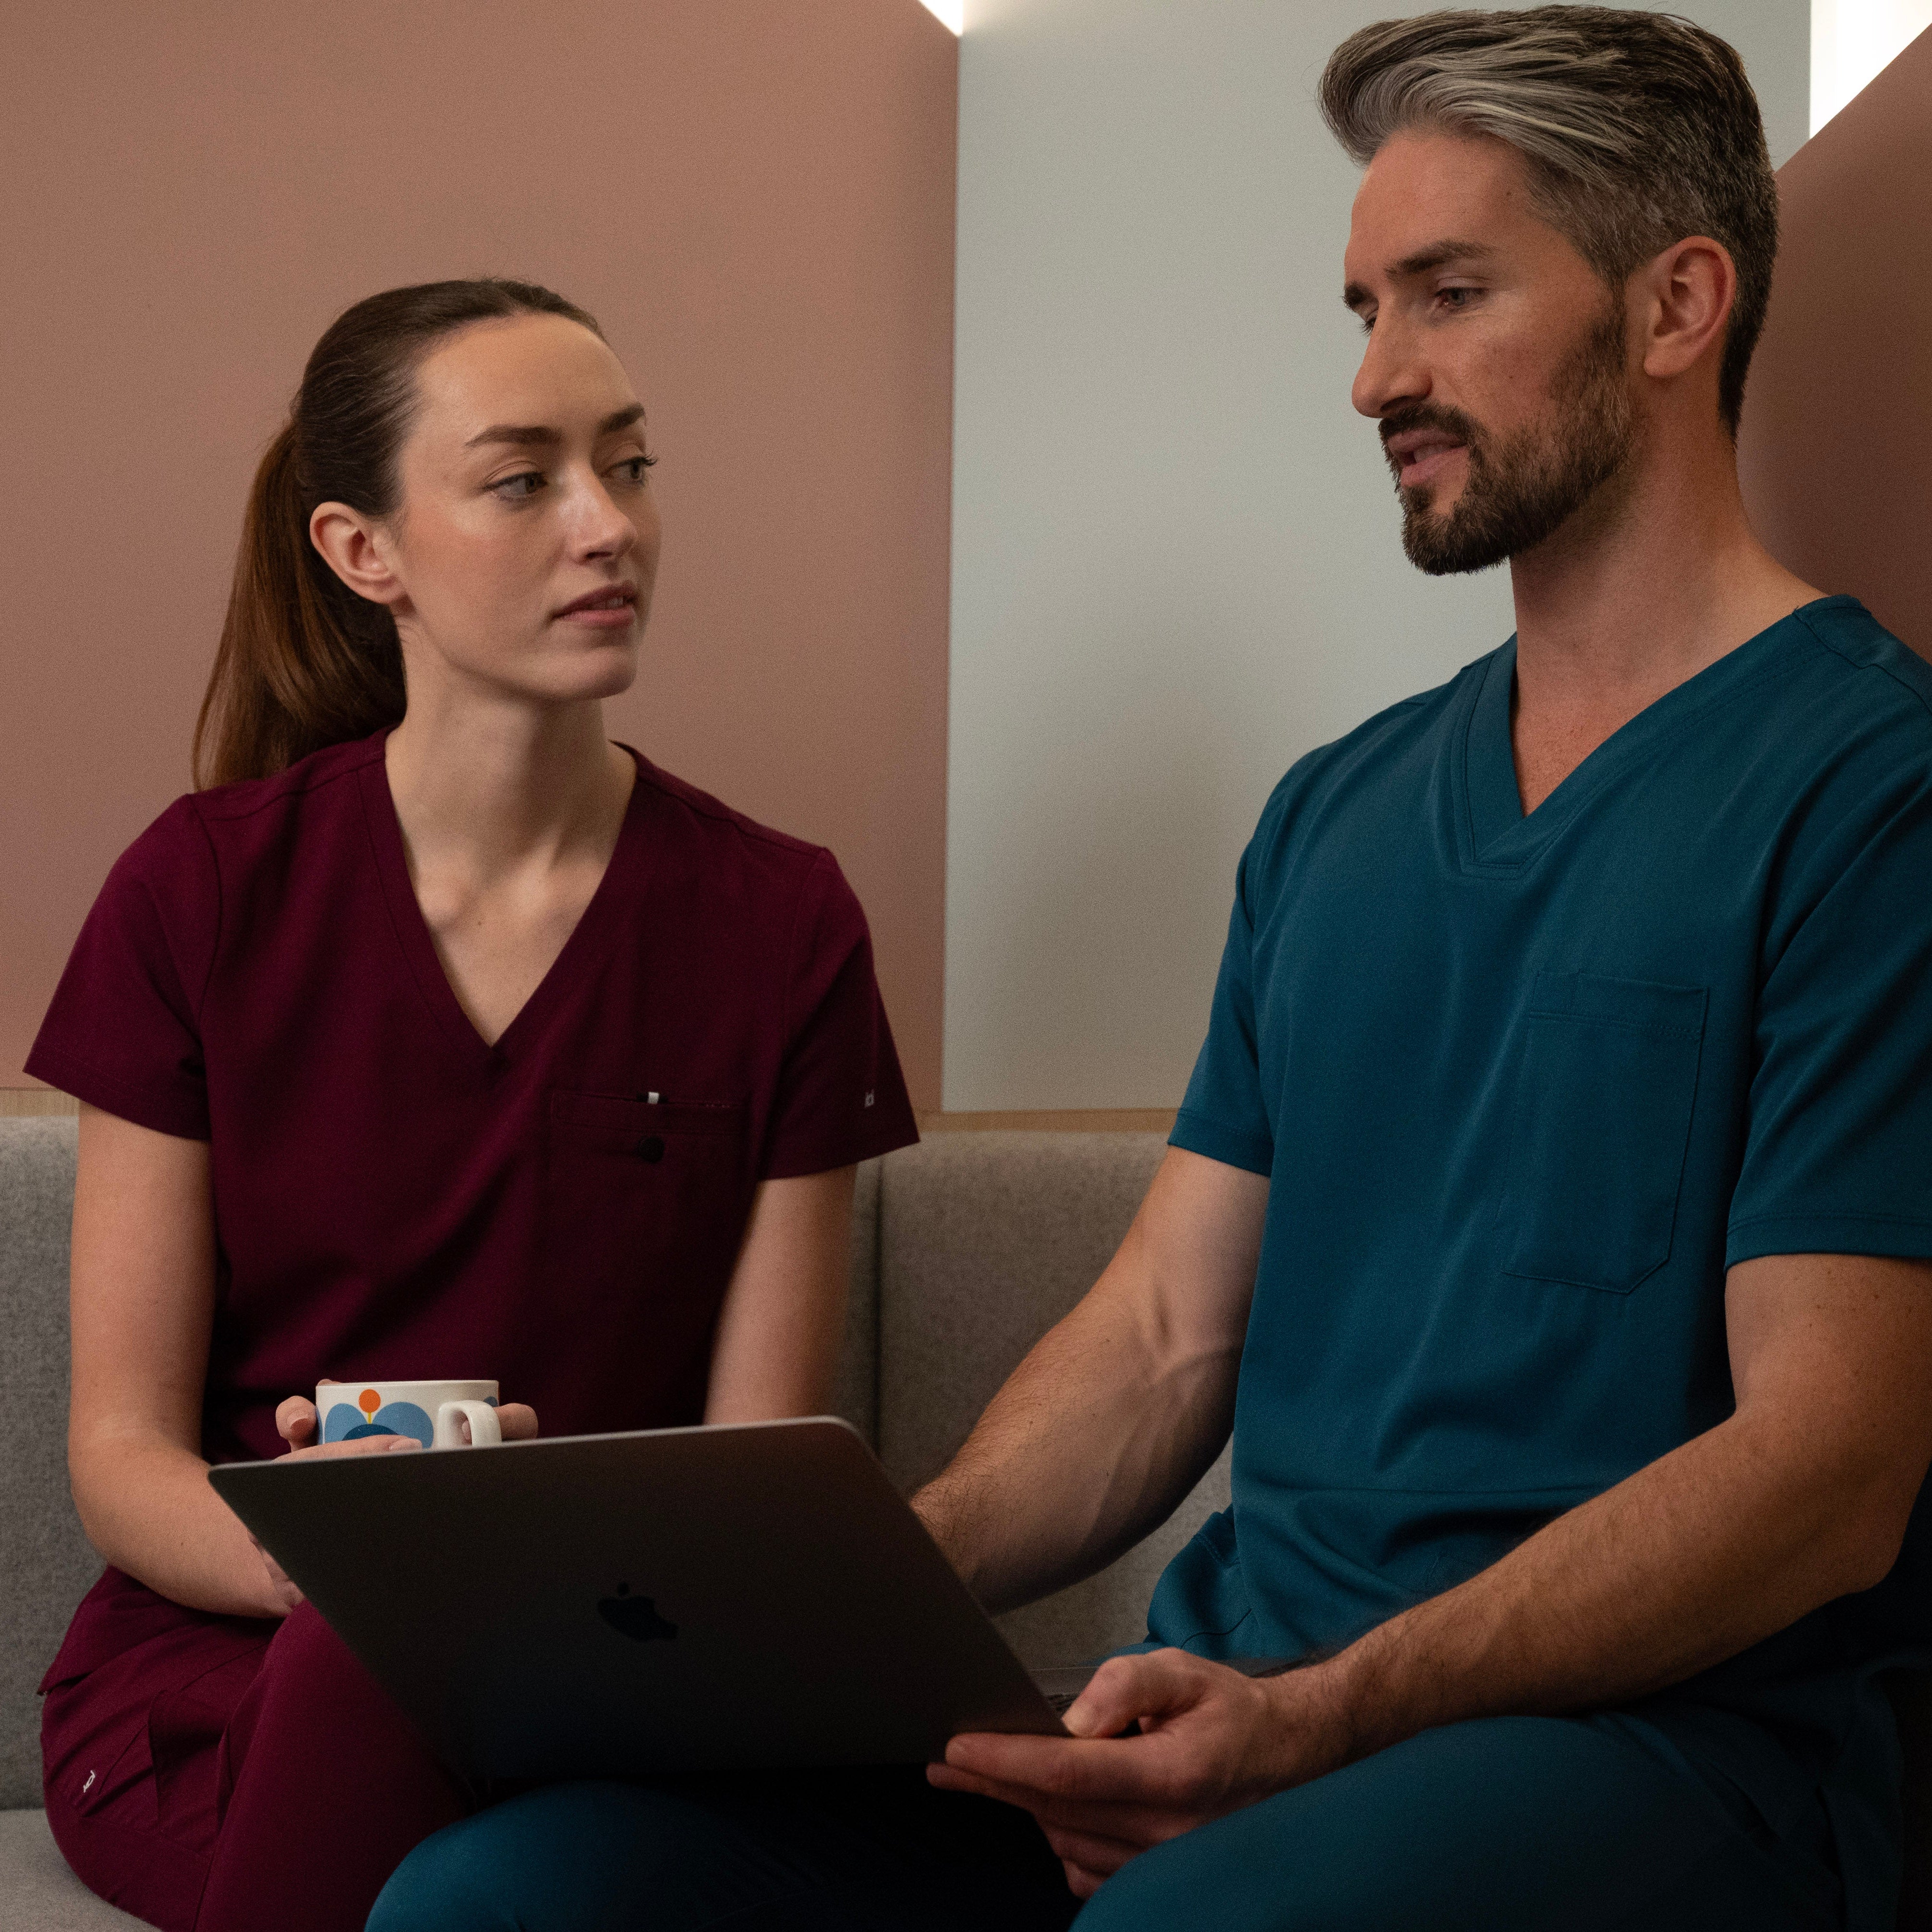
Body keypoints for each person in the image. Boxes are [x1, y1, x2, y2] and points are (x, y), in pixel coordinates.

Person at [373, 10, 1932, 1930]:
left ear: (1677, 304)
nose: (1375, 376)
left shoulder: (1867, 790)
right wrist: (852, 1608)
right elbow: (1160, 1342)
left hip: (1653, 1757)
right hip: (1223, 1728)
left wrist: (1327, 1717)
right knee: (515, 1890)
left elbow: (1830, 1462)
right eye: (1364, 306)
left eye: (1447, 295)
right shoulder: (1332, 816)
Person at [27, 277, 919, 1932]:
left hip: (608, 1683)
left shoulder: (783, 920)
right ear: (365, 553)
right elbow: (121, 1453)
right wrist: (349, 1559)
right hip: (235, 1674)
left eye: (631, 466)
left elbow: (755, 1474)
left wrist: (511, 1587)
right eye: (525, 480)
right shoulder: (198, 892)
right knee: (375, 1658)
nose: (609, 527)